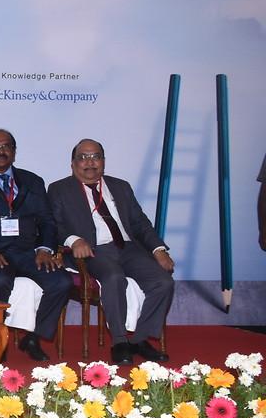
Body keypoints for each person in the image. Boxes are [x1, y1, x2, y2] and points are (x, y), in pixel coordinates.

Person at [48, 138, 174, 365]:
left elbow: (140, 223)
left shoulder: (121, 186)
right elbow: (53, 225)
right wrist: (74, 240)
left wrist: (158, 249)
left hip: (129, 248)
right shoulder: (59, 189)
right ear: (73, 163)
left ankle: (140, 339)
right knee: (114, 277)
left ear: (103, 161)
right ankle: (120, 342)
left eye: (95, 157)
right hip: (93, 250)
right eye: (83, 157)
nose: (90, 162)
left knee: (163, 282)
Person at [0, 129, 70, 362]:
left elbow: (47, 221)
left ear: (14, 151)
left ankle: (34, 337)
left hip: (29, 252)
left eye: (6, 146)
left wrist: (44, 249)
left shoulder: (33, 181)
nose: (1, 151)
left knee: (61, 282)